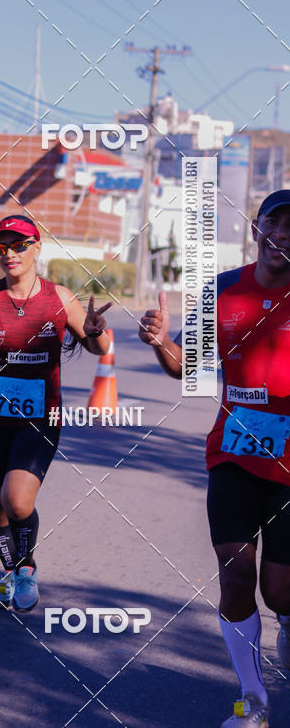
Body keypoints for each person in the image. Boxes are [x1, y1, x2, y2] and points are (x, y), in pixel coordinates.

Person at [139, 190, 290, 727]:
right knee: (235, 577)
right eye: (278, 225)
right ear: (258, 230)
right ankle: (252, 702)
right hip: (232, 456)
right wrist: (161, 343)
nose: (286, 237)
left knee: (280, 589)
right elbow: (189, 368)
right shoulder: (222, 291)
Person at [0, 214, 112, 612]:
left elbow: (98, 347)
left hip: (40, 419)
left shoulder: (58, 297)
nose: (10, 253)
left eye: (19, 245)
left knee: (16, 500)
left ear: (37, 247)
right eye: (2, 246)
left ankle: (25, 569)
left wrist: (96, 329)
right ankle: (12, 572)